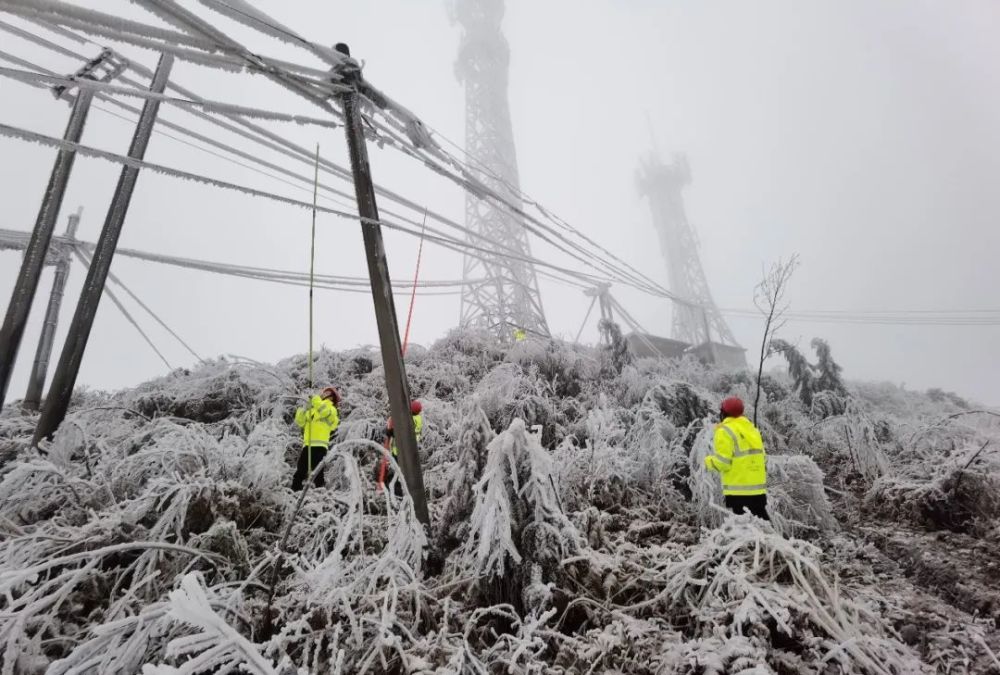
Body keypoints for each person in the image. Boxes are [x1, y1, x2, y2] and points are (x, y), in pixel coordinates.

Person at [704, 396, 769, 520]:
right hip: (758, 492)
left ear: (723, 413)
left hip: (738, 492)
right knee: (763, 529)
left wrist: (707, 461)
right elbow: (763, 458)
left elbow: (723, 463)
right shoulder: (752, 430)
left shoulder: (724, 431)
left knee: (743, 531)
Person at [292, 387, 340, 491]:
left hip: (320, 445)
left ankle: (321, 495)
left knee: (318, 473)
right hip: (307, 445)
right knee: (300, 471)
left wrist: (316, 401)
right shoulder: (313, 409)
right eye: (324, 392)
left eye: (327, 392)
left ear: (332, 397)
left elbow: (325, 413)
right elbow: (300, 421)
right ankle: (295, 495)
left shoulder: (332, 409)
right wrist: (305, 408)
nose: (323, 394)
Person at [376, 400, 423, 494]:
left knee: (397, 473)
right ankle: (396, 489)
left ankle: (396, 492)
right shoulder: (418, 418)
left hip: (400, 451)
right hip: (407, 451)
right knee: (399, 472)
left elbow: (403, 432)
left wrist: (391, 432)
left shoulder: (411, 421)